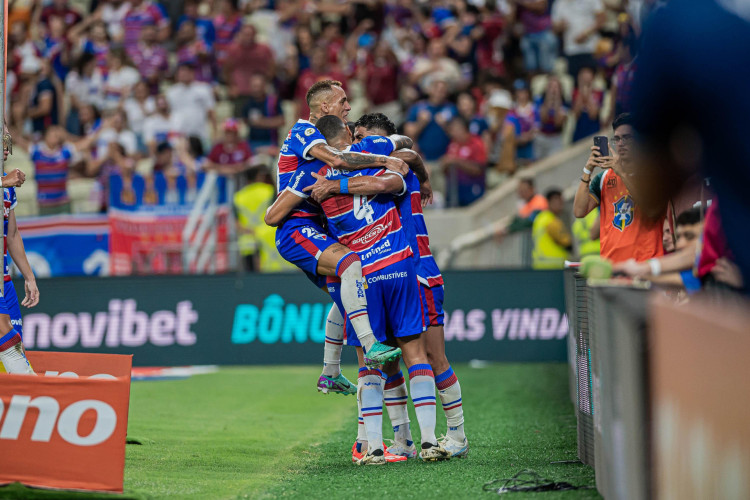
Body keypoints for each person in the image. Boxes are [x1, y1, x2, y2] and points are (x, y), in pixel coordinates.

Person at [283, 114, 450, 464]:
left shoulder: (316, 179)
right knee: (415, 355)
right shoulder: (373, 149)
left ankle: (371, 445)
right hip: (399, 263)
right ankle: (430, 441)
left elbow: (277, 216)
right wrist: (419, 174)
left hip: (361, 277)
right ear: (347, 132)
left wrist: (327, 189)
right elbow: (401, 171)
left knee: (369, 364)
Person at [263, 80, 409, 394]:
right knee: (350, 263)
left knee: (344, 292)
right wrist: (384, 161)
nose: (349, 107)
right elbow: (272, 217)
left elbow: (387, 143)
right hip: (298, 229)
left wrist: (396, 147)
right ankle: (371, 345)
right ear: (326, 107)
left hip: (318, 230)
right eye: (343, 101)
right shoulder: (303, 134)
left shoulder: (325, 154)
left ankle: (330, 372)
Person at [351, 112, 469, 459]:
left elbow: (409, 154)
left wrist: (423, 173)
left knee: (433, 356)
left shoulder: (396, 165)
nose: (357, 144)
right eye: (356, 138)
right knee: (388, 361)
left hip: (417, 270)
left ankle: (457, 435)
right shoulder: (370, 170)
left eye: (363, 137)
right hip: (383, 274)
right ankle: (402, 439)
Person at [573, 113, 664, 263]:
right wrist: (588, 169)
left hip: (646, 265)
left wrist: (620, 172)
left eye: (627, 138)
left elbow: (651, 209)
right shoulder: (602, 178)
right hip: (612, 266)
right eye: (617, 139)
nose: (621, 143)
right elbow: (579, 211)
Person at [0, 135, 39, 375]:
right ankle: (36, 396)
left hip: (4, 279)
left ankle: (15, 405)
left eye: (7, 144)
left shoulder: (7, 190)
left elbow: (12, 234)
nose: (6, 149)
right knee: (4, 333)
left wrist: (29, 276)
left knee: (15, 344)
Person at [224, 23, 275, 116]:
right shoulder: (233, 49)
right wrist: (231, 86)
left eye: (250, 34)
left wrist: (266, 82)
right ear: (240, 34)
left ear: (255, 35)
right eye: (245, 34)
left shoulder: (264, 49)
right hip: (240, 92)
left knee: (262, 119)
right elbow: (227, 70)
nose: (248, 37)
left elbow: (272, 66)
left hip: (260, 92)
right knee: (239, 120)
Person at [233, 166, 276, 272]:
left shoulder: (238, 196)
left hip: (247, 243)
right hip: (267, 238)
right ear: (259, 176)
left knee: (250, 276)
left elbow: (237, 225)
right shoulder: (269, 191)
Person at [440, 116, 487, 207]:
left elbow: (478, 169)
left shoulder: (476, 143)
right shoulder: (452, 145)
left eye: (454, 129)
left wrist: (457, 161)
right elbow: (446, 168)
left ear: (463, 128)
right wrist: (445, 163)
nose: (452, 132)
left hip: (473, 187)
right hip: (454, 188)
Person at [551, 0, 605, 77]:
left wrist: (586, 34)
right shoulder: (559, 3)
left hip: (591, 48)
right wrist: (560, 26)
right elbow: (554, 28)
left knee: (590, 79)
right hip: (571, 49)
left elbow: (602, 19)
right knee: (574, 80)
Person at [165, 63, 216, 144]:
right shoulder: (171, 92)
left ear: (192, 73)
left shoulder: (203, 89)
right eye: (181, 72)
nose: (183, 75)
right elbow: (167, 114)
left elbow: (211, 111)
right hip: (179, 133)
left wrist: (215, 131)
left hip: (200, 132)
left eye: (186, 72)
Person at [240, 73, 284, 153]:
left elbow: (281, 121)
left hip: (270, 143)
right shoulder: (247, 104)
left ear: (264, 86)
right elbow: (244, 121)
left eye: (259, 86)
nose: (257, 89)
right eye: (254, 86)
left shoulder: (273, 101)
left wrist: (261, 122)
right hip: (252, 143)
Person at [532, 188, 572, 269]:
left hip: (540, 266)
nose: (561, 205)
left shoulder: (540, 218)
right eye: (558, 202)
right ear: (549, 202)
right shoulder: (552, 221)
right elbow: (566, 241)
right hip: (554, 267)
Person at [516, 0, 558, 74]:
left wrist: (521, 3)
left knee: (548, 41)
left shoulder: (522, 3)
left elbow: (540, 7)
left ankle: (547, 76)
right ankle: (532, 80)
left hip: (544, 32)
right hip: (528, 35)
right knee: (525, 46)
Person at [535, 76, 568, 159]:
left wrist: (557, 101)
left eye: (556, 87)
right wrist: (548, 99)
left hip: (555, 138)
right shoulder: (539, 100)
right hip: (540, 137)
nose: (553, 90)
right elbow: (543, 119)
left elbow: (558, 123)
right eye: (551, 86)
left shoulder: (564, 103)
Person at [571, 66, 603, 143]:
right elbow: (576, 114)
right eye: (583, 73)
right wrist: (581, 89)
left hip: (593, 129)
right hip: (580, 130)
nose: (585, 76)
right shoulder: (575, 93)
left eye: (588, 73)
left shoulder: (599, 92)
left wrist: (588, 92)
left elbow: (593, 115)